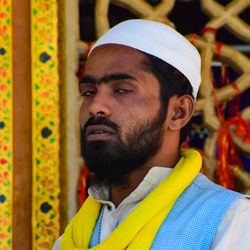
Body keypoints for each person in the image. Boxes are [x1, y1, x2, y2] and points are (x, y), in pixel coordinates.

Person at [53, 19, 250, 250]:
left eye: (122, 90)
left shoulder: (231, 222)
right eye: (88, 91)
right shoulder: (73, 237)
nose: (96, 105)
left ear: (178, 112)